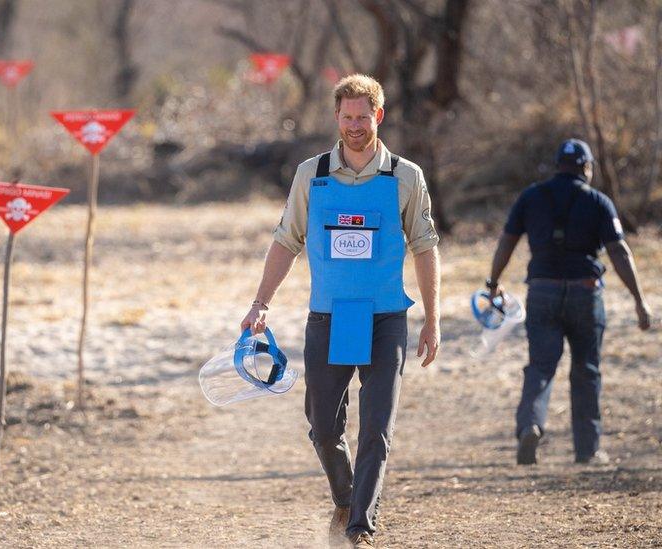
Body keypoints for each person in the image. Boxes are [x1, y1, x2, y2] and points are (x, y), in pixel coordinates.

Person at [240, 74, 441, 549]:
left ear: (379, 116)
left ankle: (360, 527)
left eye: (363, 117)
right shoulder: (313, 174)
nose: (355, 126)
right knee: (324, 428)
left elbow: (426, 247)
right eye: (347, 117)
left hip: (386, 318)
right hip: (328, 318)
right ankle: (346, 496)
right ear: (337, 117)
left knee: (377, 428)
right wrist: (259, 304)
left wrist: (432, 319)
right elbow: (287, 239)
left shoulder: (405, 176)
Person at [486, 138, 653, 466]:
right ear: (587, 168)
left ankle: (530, 427)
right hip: (585, 293)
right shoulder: (598, 202)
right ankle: (588, 450)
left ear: (557, 166)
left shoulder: (531, 196)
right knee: (586, 370)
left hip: (542, 292)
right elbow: (619, 252)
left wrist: (493, 283)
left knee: (541, 367)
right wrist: (639, 300)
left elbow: (507, 242)